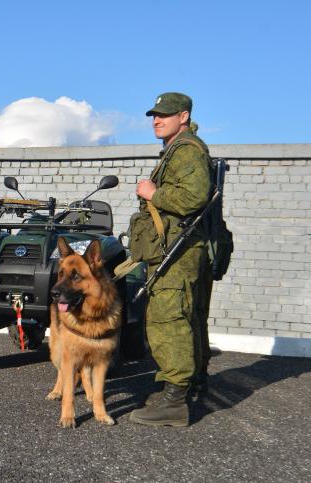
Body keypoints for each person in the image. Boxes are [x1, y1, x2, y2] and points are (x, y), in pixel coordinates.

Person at [127, 92, 213, 427]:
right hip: (178, 249)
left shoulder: (187, 150)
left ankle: (174, 402)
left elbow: (194, 196)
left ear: (183, 116)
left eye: (164, 115)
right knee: (185, 317)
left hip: (178, 253)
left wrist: (152, 193)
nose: (156, 120)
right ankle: (183, 387)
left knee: (168, 319)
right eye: (154, 115)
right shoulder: (178, 149)